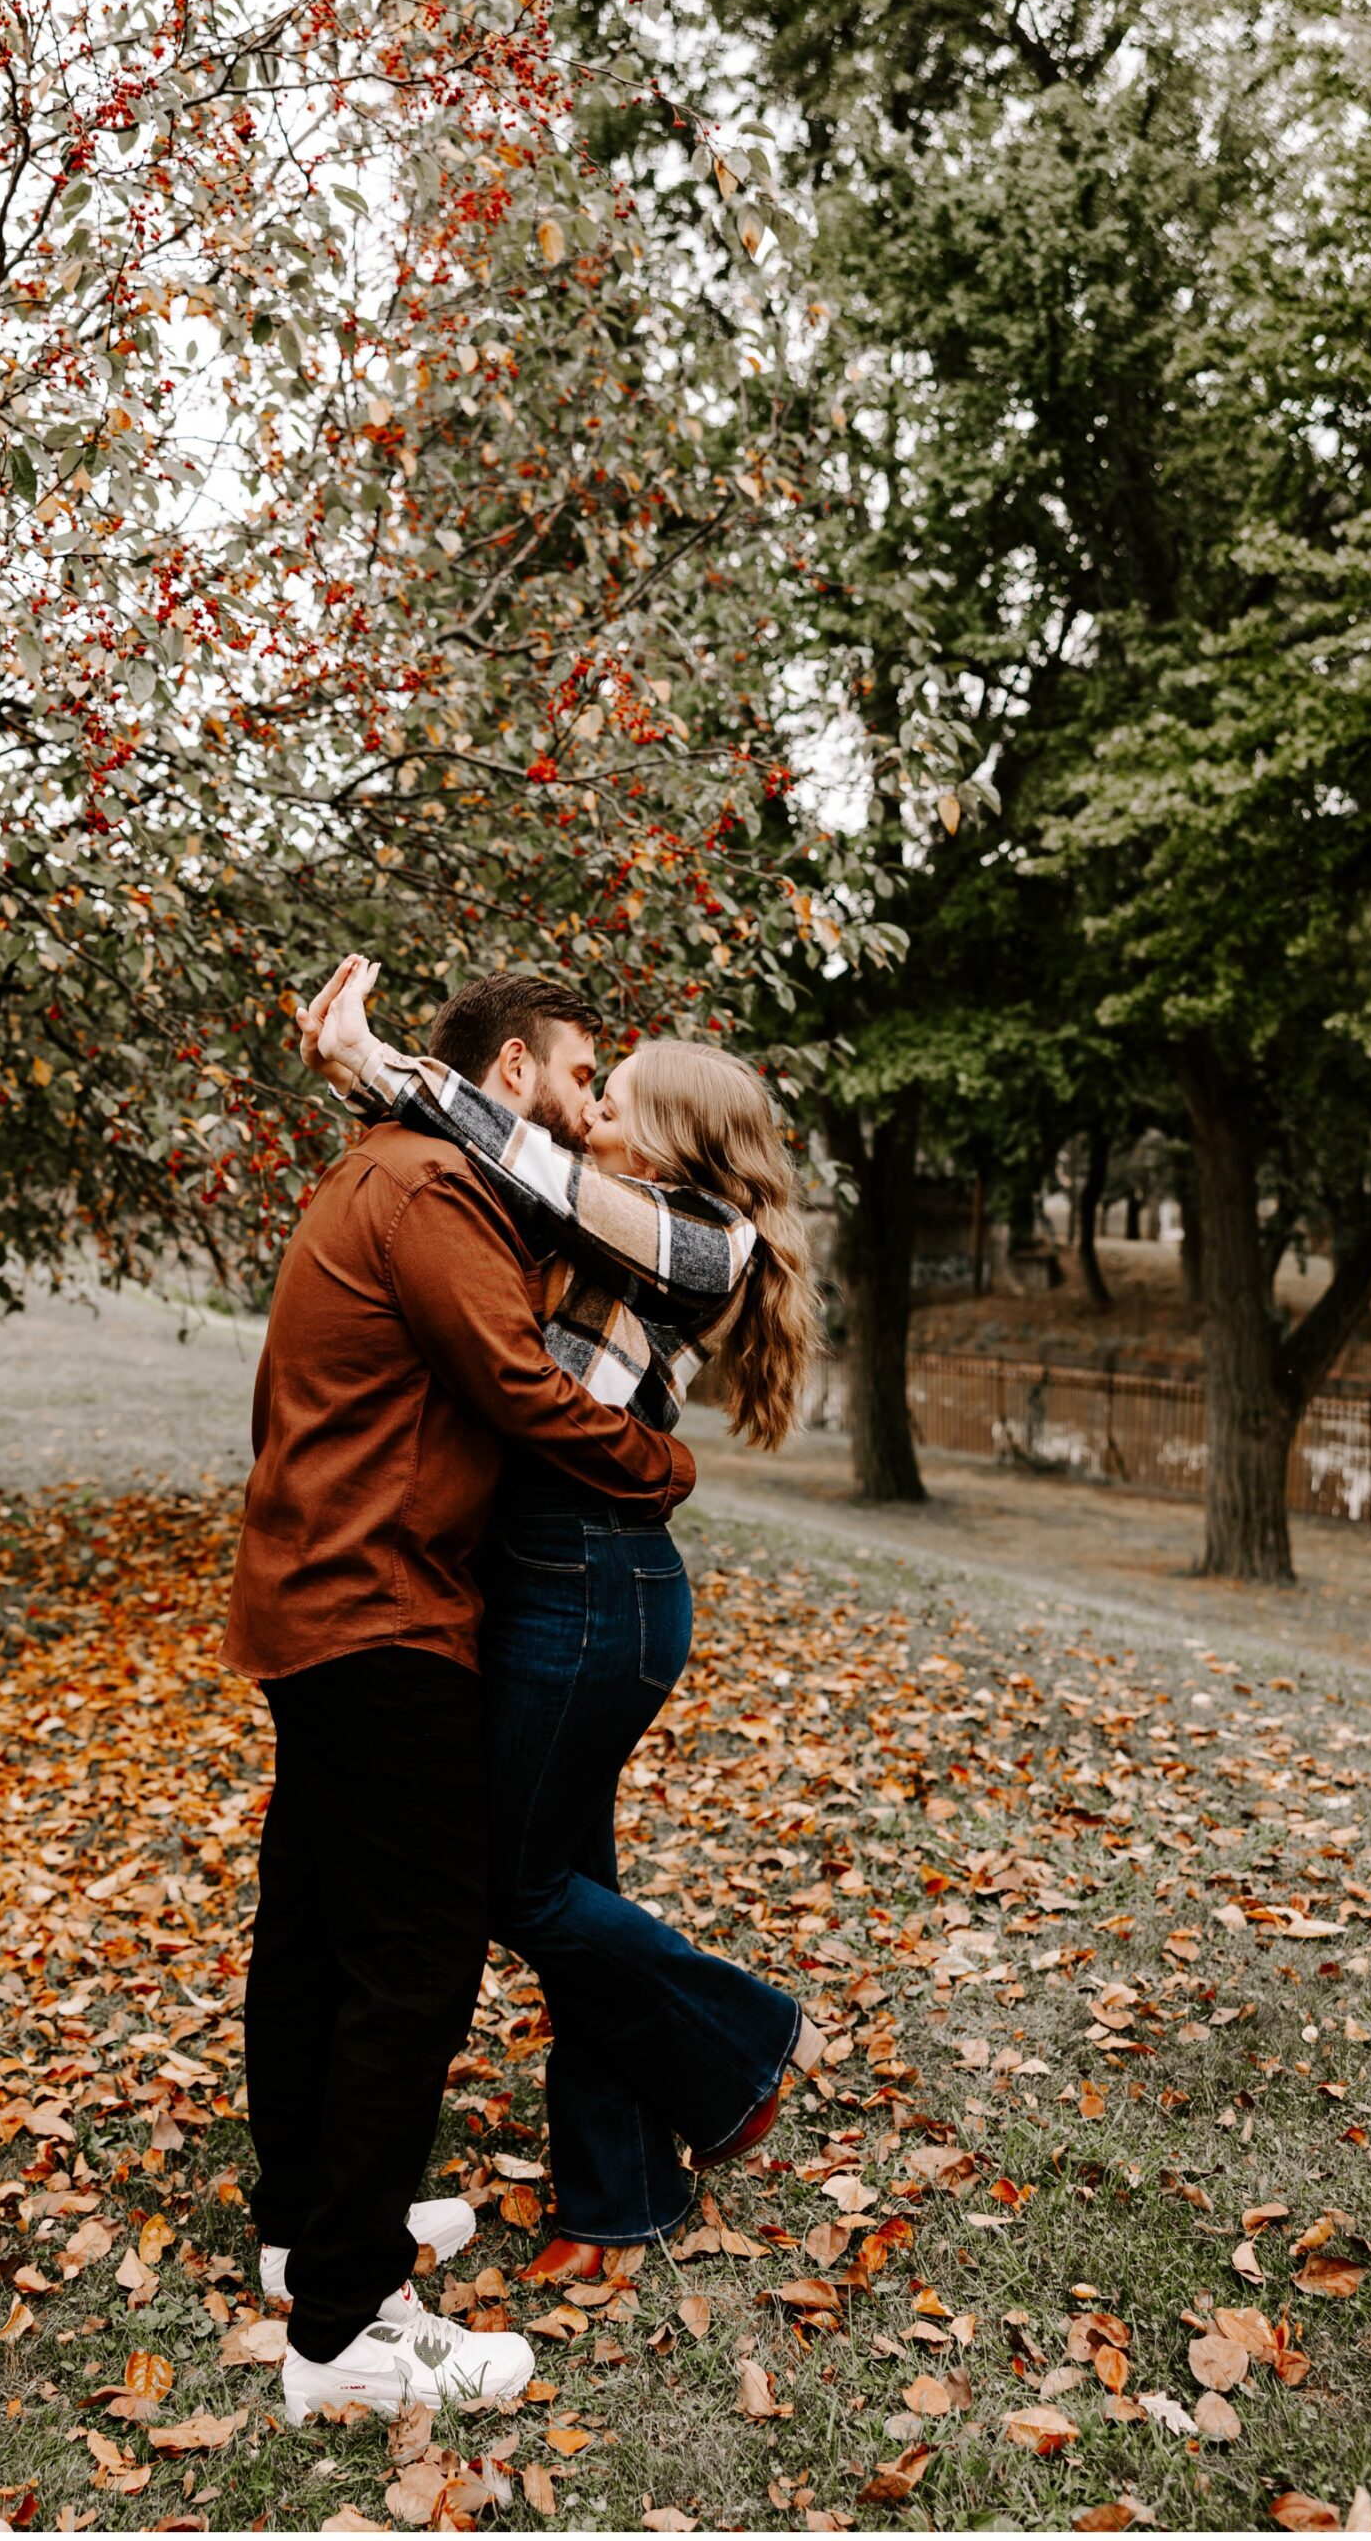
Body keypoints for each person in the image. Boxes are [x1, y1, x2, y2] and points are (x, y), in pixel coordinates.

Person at [298, 955, 824, 2288]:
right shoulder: (604, 1213)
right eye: (595, 1087)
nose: (593, 1113)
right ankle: (621, 2190)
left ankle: (737, 2048)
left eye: (619, 1097)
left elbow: (522, 1162)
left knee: (512, 1884)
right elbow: (489, 1192)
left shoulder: (704, 1235)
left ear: (678, 1139)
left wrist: (376, 1064)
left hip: (597, 1579)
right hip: (556, 1574)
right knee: (569, 1874)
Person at [223, 970, 695, 2427]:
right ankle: (351, 2329)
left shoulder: (398, 1167)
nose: (590, 1102)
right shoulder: (436, 1193)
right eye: (578, 1075)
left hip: (324, 1596)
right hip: (382, 1611)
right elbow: (518, 1388)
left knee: (313, 1929)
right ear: (516, 1066)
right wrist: (664, 1470)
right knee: (414, 1955)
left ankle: (309, 2232)